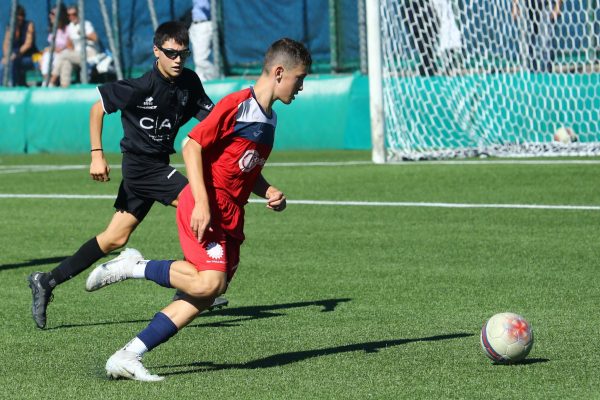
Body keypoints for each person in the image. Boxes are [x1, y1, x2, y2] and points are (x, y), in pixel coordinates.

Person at [84, 37, 311, 381]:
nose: (301, 87)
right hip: (207, 204)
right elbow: (192, 145)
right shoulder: (237, 104)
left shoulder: (270, 119)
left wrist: (268, 190)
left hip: (232, 212)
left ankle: (128, 355)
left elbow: (244, 166)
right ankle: (134, 266)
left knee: (206, 294)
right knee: (209, 283)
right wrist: (202, 202)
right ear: (280, 72)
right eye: (300, 79)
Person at [27, 21, 227, 330]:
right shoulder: (140, 86)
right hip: (140, 168)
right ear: (156, 51)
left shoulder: (189, 82)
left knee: (113, 238)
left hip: (157, 164)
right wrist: (97, 155)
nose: (177, 60)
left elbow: (211, 120)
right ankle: (196, 284)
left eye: (182, 54)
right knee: (200, 206)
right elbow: (97, 109)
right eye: (171, 53)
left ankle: (46, 280)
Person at [52, 5, 99, 87]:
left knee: (63, 55)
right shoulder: (70, 27)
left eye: (74, 14)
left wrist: (84, 35)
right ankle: (64, 86)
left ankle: (51, 81)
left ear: (78, 14)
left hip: (89, 52)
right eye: (69, 15)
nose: (71, 16)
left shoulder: (86, 24)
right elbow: (70, 45)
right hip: (76, 53)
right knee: (66, 62)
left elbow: (95, 38)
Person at [512, 0, 563, 72]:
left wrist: (558, 5)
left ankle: (546, 74)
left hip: (547, 3)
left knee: (546, 40)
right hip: (526, 4)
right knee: (525, 41)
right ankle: (528, 74)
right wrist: (515, 5)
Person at [0, 4, 36, 86]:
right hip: (13, 57)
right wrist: (7, 56)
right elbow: (6, 43)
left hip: (30, 57)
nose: (19, 18)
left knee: (14, 62)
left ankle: (14, 85)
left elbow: (28, 44)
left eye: (21, 16)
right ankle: (2, 87)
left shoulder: (29, 25)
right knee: (3, 64)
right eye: (17, 16)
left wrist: (15, 54)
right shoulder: (10, 26)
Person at [401, 0, 439, 76]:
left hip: (422, 7)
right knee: (419, 36)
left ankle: (428, 64)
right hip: (413, 7)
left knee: (426, 36)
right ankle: (427, 63)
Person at [40, 5, 70, 86]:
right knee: (45, 56)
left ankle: (51, 82)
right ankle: (47, 81)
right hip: (54, 54)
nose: (50, 16)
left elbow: (69, 47)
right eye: (50, 13)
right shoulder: (53, 30)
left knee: (57, 57)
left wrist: (54, 49)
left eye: (53, 14)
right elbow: (51, 47)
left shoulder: (68, 29)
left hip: (64, 54)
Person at [188, 0, 218, 81]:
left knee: (201, 60)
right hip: (194, 25)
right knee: (197, 59)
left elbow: (205, 6)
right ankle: (200, 81)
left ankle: (215, 77)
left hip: (204, 25)